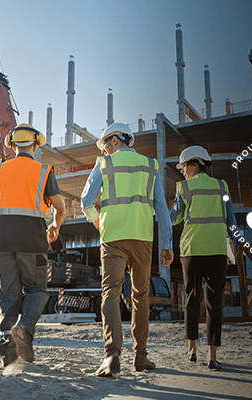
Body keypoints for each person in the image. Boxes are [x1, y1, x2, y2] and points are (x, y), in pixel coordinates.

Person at [81, 123, 174, 377]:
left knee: (110, 294)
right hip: (143, 238)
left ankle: (112, 355)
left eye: (104, 146)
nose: (105, 151)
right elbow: (161, 208)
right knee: (140, 296)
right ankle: (141, 357)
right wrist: (167, 244)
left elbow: (85, 201)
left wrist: (96, 220)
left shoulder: (104, 164)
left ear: (113, 141)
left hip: (112, 237)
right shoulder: (151, 165)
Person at [0, 123, 66, 367]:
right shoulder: (44, 170)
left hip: (4, 243)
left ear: (12, 144)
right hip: (33, 242)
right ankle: (24, 329)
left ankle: (8, 352)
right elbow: (61, 208)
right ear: (36, 144)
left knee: (8, 295)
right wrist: (55, 227)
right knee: (37, 290)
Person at [170, 145, 239, 370]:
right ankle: (213, 356)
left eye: (183, 166)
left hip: (191, 250)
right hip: (218, 249)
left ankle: (191, 349)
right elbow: (231, 221)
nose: (182, 171)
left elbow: (174, 219)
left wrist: (165, 204)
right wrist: (232, 248)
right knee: (214, 302)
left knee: (191, 298)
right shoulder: (222, 186)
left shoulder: (183, 187)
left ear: (194, 164)